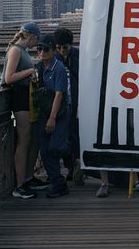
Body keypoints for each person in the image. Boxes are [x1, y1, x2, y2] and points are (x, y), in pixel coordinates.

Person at [4, 22, 43, 199]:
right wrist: (29, 71)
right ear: (32, 36)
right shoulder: (15, 50)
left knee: (31, 138)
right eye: (37, 39)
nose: (38, 43)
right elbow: (8, 78)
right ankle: (19, 185)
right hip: (20, 97)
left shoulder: (23, 51)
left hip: (28, 96)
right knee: (24, 139)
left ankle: (27, 178)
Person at [34, 34, 71, 198]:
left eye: (46, 49)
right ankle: (58, 183)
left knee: (54, 147)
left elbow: (59, 95)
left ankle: (71, 162)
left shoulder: (59, 68)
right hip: (45, 111)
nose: (42, 52)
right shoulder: (39, 67)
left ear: (54, 50)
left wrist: (52, 118)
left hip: (58, 112)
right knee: (45, 149)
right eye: (39, 49)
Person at [53, 27, 82, 185]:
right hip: (62, 104)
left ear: (70, 45)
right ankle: (72, 167)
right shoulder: (53, 56)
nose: (62, 50)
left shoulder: (78, 55)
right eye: (58, 47)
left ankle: (75, 167)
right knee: (66, 137)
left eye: (65, 47)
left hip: (77, 103)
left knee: (75, 136)